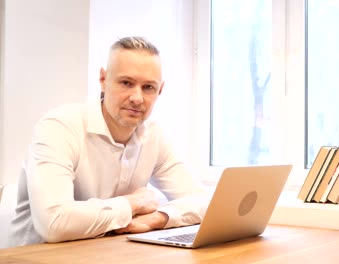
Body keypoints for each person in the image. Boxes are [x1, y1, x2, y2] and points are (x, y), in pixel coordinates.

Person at [8, 36, 208, 246]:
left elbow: (204, 202)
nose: (137, 98)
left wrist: (157, 219)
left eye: (148, 87)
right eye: (126, 83)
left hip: (100, 253)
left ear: (160, 90)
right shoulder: (59, 127)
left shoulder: (154, 135)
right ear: (103, 80)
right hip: (30, 257)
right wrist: (132, 204)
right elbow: (53, 223)